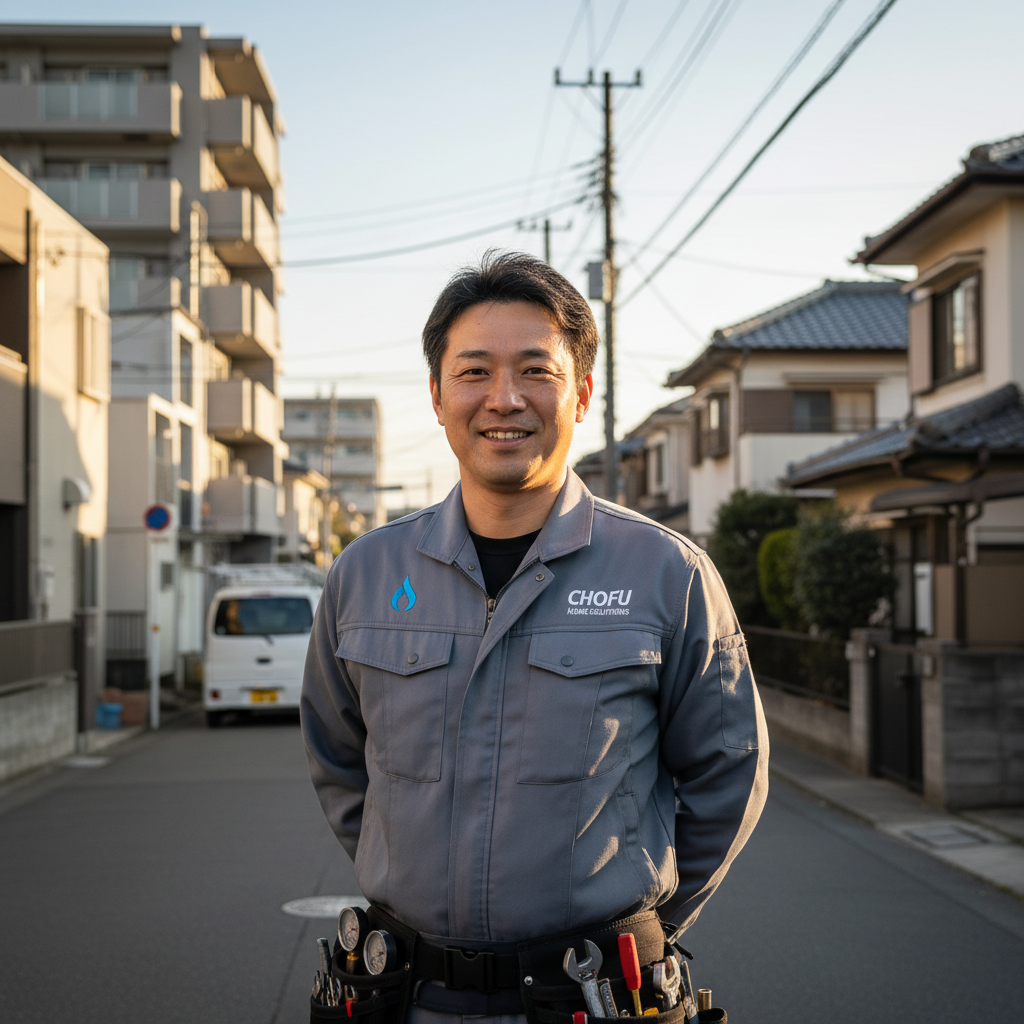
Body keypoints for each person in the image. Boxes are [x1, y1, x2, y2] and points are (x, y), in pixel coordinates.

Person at [301, 251, 768, 1024]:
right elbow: (338, 759)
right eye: (474, 371)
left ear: (580, 393)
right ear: (437, 394)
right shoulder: (364, 573)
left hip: (594, 998)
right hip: (405, 997)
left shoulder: (667, 573)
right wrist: (409, 874)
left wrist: (636, 931)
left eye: (536, 372)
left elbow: (728, 778)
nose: (504, 399)